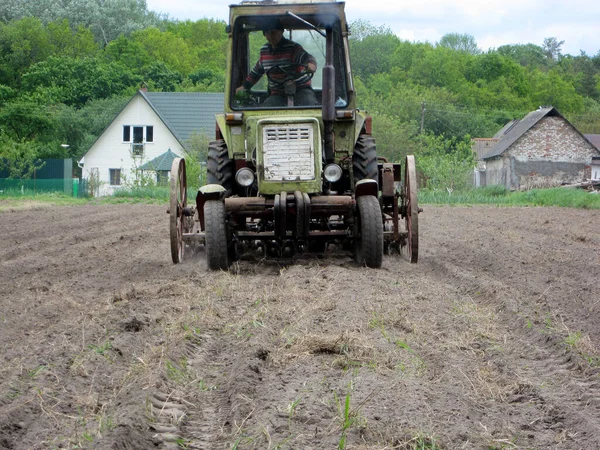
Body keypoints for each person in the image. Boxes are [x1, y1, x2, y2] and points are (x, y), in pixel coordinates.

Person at [236, 19, 319, 107]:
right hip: (278, 93)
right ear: (265, 35)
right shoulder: (264, 51)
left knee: (309, 106)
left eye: (274, 32)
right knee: (264, 111)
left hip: (301, 89)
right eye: (268, 33)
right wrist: (244, 87)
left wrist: (311, 64)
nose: (271, 36)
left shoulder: (293, 48)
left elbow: (307, 57)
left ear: (281, 32)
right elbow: (257, 72)